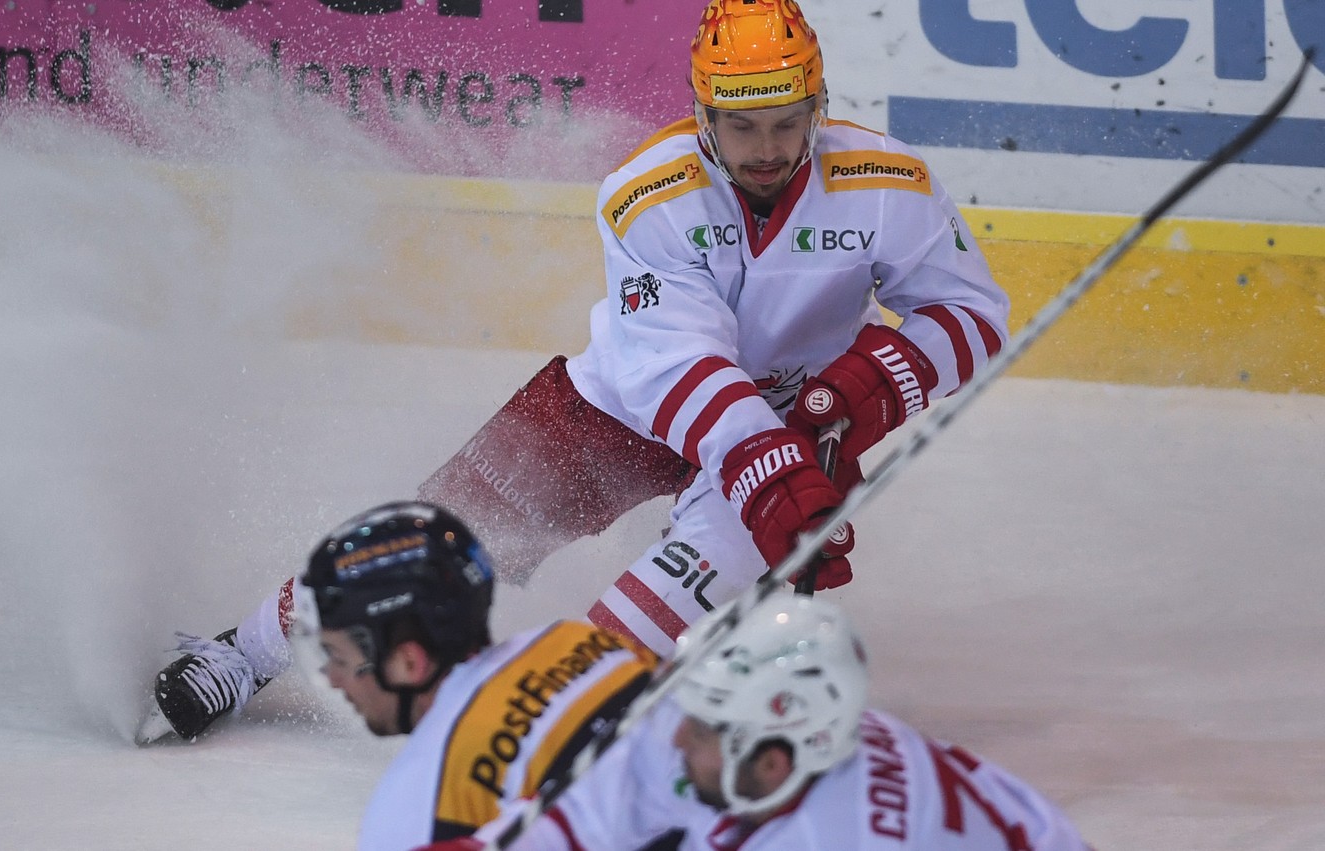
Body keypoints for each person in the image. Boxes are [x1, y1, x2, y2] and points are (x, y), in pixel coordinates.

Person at [416, 0, 1010, 656]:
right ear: (704, 116)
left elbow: (971, 314)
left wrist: (861, 394)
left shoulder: (887, 183)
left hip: (786, 428)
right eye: (742, 126)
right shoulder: (648, 191)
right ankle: (276, 645)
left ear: (819, 107)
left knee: (619, 645)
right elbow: (679, 361)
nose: (767, 150)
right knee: (420, 561)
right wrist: (768, 471)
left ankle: (558, 721)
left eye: (788, 123)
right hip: (624, 408)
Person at [138, 501, 667, 850]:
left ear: (410, 663)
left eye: (340, 659)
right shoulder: (581, 643)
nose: (334, 680)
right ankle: (247, 653)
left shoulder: (414, 808)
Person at [475, 593, 1090, 851]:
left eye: (707, 728)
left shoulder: (831, 838)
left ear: (773, 761)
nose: (680, 737)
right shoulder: (809, 754)